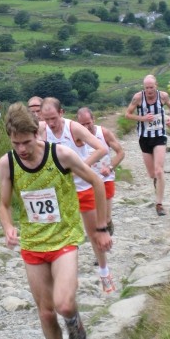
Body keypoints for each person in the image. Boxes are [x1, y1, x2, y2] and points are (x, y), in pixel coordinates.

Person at [0, 103, 112, 339]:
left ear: (37, 133)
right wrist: (8, 227)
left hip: (64, 239)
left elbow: (97, 182)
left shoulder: (60, 155)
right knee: (46, 312)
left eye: (26, 142)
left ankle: (73, 318)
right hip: (33, 245)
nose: (21, 149)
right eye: (15, 143)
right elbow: (3, 204)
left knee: (63, 304)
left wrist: (101, 227)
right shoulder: (7, 163)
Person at [40, 97, 115, 293]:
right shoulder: (42, 130)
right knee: (60, 234)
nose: (50, 123)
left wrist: (81, 167)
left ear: (62, 112)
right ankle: (61, 278)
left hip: (83, 188)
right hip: (60, 191)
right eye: (46, 119)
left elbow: (102, 148)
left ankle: (105, 272)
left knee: (93, 234)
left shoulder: (73, 129)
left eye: (54, 118)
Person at [125, 75, 170, 216]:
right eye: (146, 88)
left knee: (159, 170)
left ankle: (159, 204)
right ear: (144, 87)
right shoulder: (138, 98)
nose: (149, 90)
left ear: (156, 86)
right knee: (152, 173)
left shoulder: (163, 96)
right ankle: (157, 182)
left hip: (160, 136)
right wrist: (142, 118)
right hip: (144, 138)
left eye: (151, 87)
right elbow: (127, 114)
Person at [76, 107, 125, 238]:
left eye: (88, 123)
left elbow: (121, 153)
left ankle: (108, 228)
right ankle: (101, 247)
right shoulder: (76, 136)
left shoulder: (104, 133)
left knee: (106, 218)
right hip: (87, 182)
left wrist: (109, 167)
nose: (86, 127)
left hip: (105, 179)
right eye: (82, 124)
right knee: (95, 219)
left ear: (93, 119)